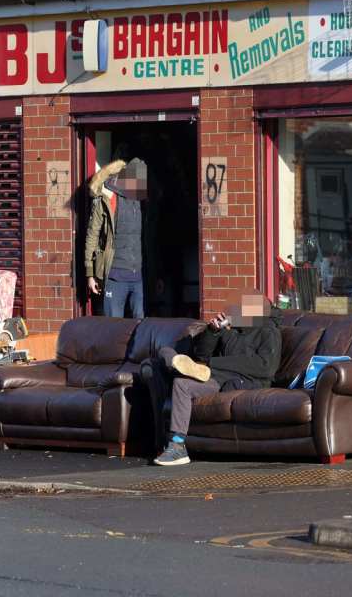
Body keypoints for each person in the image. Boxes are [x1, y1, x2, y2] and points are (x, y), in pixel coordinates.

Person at [148, 289, 282, 466]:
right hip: (217, 377)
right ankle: (177, 446)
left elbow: (266, 367)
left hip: (246, 382)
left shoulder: (269, 332)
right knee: (179, 380)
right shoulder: (232, 329)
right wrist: (213, 332)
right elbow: (203, 355)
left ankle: (183, 367)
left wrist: (215, 364)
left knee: (186, 369)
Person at [84, 157, 148, 318]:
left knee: (139, 327)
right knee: (113, 328)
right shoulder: (108, 199)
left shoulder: (141, 201)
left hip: (137, 277)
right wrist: (90, 274)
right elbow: (92, 235)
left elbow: (148, 239)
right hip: (115, 275)